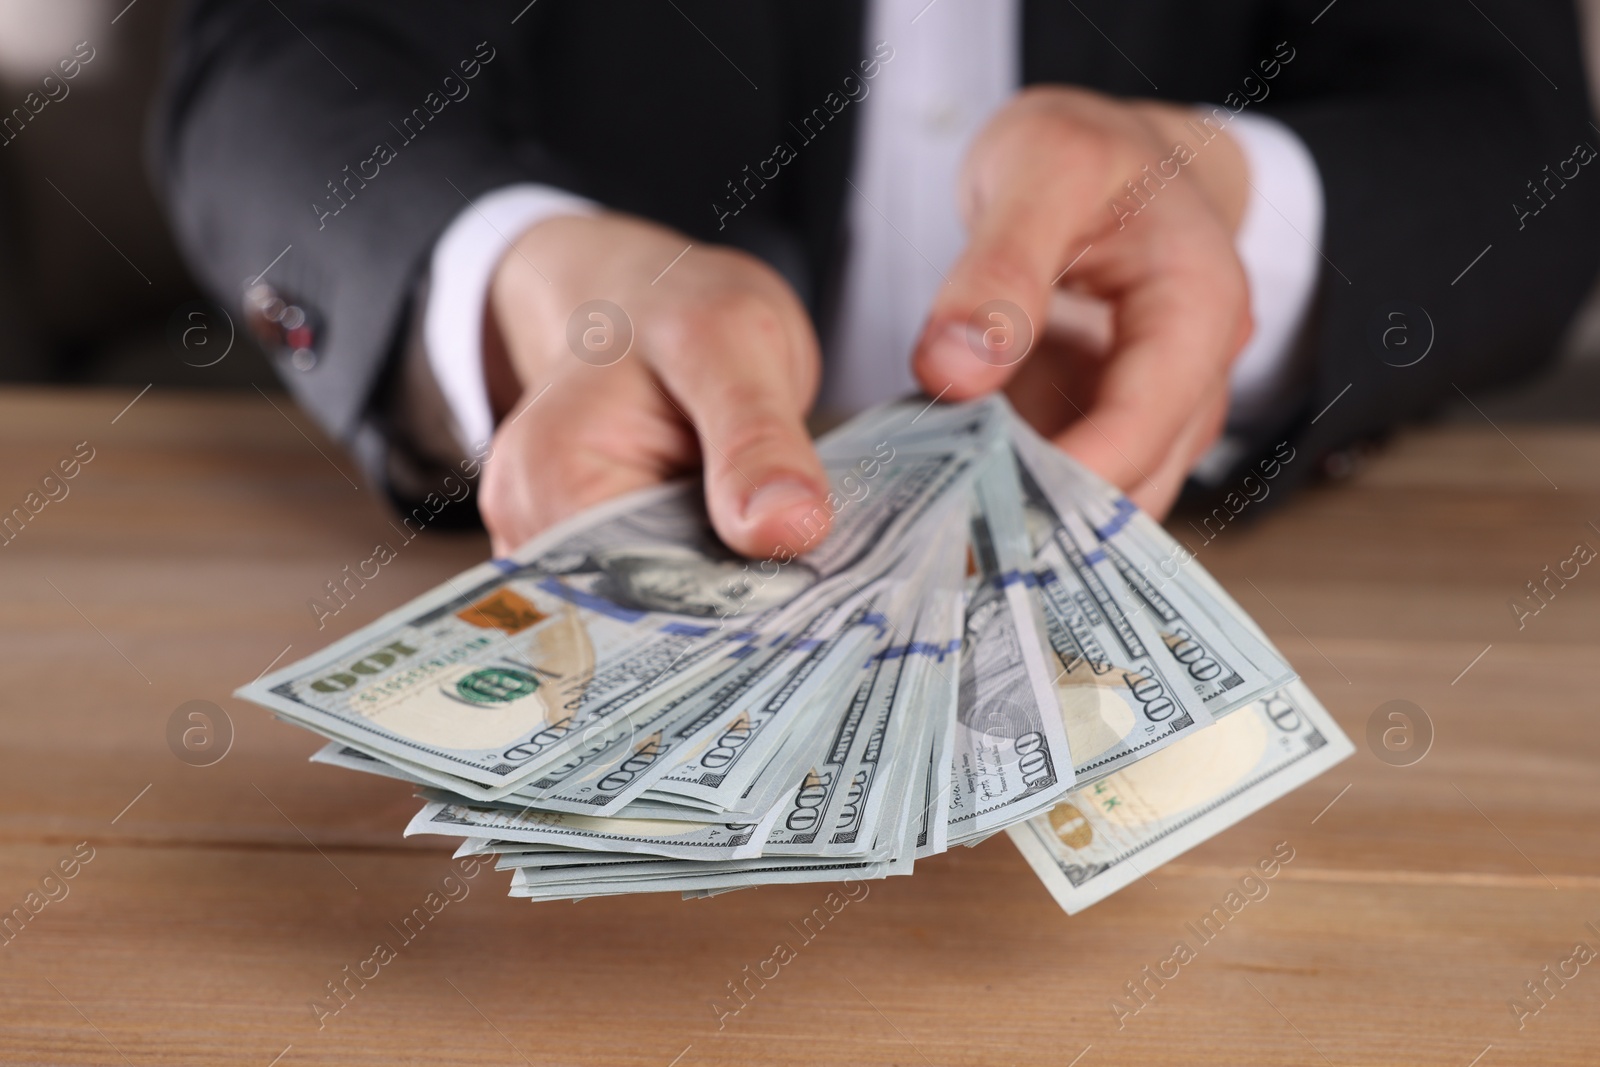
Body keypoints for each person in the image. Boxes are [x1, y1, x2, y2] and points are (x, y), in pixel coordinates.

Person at [154, 0, 1600, 562]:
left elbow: (1514, 143)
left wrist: (1225, 212)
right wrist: (521, 275)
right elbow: (274, 53)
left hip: (1264, 571)